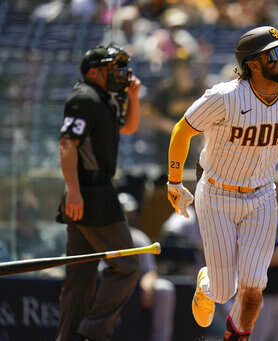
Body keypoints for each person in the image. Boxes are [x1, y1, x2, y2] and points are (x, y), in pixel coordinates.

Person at [166, 26, 278, 340]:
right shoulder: (225, 96)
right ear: (253, 64)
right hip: (217, 193)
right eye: (275, 54)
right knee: (222, 291)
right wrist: (174, 182)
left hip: (262, 196)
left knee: (254, 288)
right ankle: (206, 284)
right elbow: (182, 130)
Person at [56, 44, 141, 341]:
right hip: (91, 192)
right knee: (128, 265)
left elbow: (128, 128)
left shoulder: (106, 99)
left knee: (80, 278)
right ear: (95, 71)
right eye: (114, 67)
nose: (121, 73)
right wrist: (74, 192)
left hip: (92, 190)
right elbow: (67, 144)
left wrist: (133, 96)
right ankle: (91, 333)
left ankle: (69, 337)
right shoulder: (84, 98)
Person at [118, 192, 176, 341]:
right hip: (107, 286)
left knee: (163, 289)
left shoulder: (138, 237)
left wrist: (147, 285)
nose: (127, 217)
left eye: (130, 213)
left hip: (134, 287)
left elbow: (150, 270)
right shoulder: (100, 236)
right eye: (123, 213)